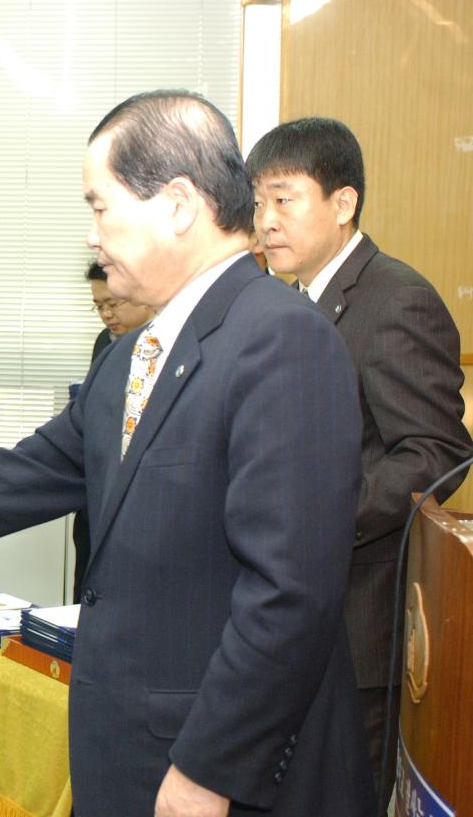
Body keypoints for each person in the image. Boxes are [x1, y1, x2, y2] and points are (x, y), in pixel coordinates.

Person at [0, 90, 376, 815]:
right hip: (124, 739)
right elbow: (26, 471)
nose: (91, 234)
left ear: (177, 203)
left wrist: (213, 767)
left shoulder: (281, 338)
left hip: (218, 764)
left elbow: (291, 593)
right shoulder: (134, 353)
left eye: (99, 206)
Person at [247, 117, 473, 809]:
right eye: (257, 202)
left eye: (284, 199)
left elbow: (436, 453)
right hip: (304, 609)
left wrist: (315, 522)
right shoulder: (297, 302)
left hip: (361, 619)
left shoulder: (394, 298)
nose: (265, 220)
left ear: (342, 204)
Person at [72, 260, 152, 600]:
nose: (106, 314)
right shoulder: (105, 344)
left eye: (112, 304)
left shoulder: (167, 343)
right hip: (98, 492)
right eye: (99, 306)